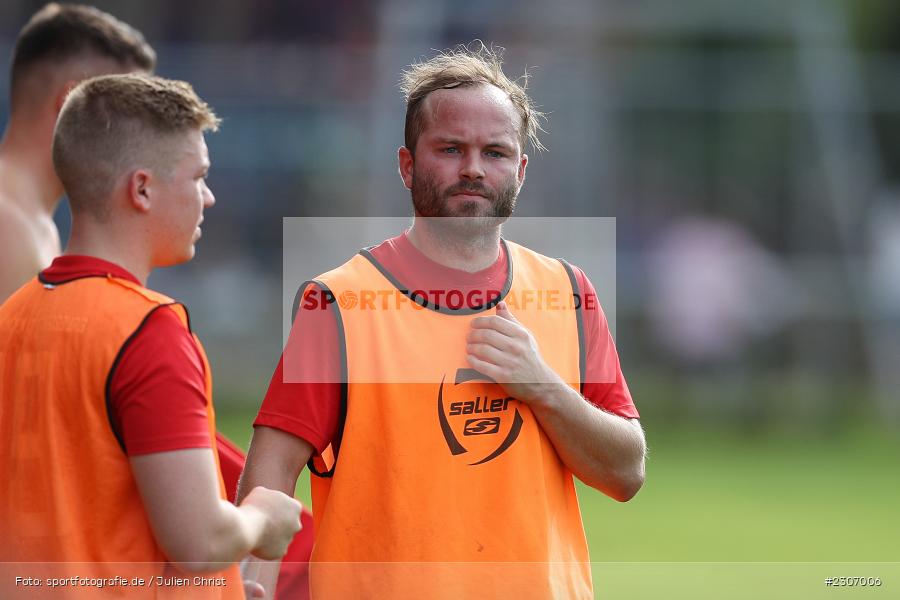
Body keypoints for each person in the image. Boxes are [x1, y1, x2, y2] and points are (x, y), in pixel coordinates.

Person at [238, 44, 646, 599]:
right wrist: (247, 587)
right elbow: (271, 472)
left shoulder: (569, 293)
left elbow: (626, 472)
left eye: (496, 152)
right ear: (407, 165)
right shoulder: (338, 302)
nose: (474, 168)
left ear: (520, 170)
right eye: (450, 149)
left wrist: (543, 388)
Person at [0, 7, 314, 594]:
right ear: (142, 188)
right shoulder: (149, 330)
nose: (210, 197)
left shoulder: (12, 315)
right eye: (197, 176)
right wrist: (262, 520)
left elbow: (84, 508)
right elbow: (198, 543)